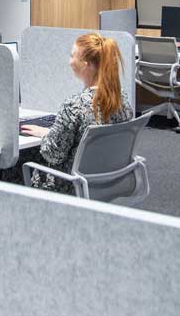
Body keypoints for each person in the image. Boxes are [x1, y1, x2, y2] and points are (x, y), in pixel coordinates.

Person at [8, 32, 133, 195]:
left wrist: (47, 137)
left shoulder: (75, 106)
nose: (69, 61)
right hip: (107, 179)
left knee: (18, 159)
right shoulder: (121, 99)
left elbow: (54, 154)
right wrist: (51, 133)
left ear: (86, 64)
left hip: (70, 185)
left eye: (72, 56)